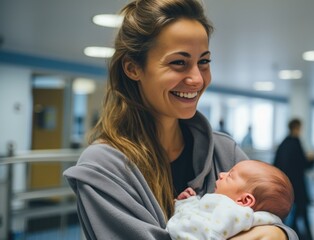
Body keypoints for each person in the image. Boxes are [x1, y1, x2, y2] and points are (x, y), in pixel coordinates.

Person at [63, 0, 297, 239]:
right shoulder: (104, 168)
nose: (197, 79)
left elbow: (274, 223)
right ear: (133, 68)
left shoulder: (224, 153)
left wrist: (278, 232)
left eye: (203, 62)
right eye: (178, 62)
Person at [166, 160, 294, 240]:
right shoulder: (247, 218)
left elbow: (198, 230)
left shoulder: (228, 211)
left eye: (230, 176)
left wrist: (183, 206)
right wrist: (187, 202)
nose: (221, 174)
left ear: (244, 201)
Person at [273, 118, 314, 240]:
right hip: (297, 184)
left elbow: (277, 163)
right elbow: (303, 164)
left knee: (292, 213)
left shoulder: (284, 143)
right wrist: (312, 159)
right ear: (297, 128)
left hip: (285, 184)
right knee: (302, 210)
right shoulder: (296, 143)